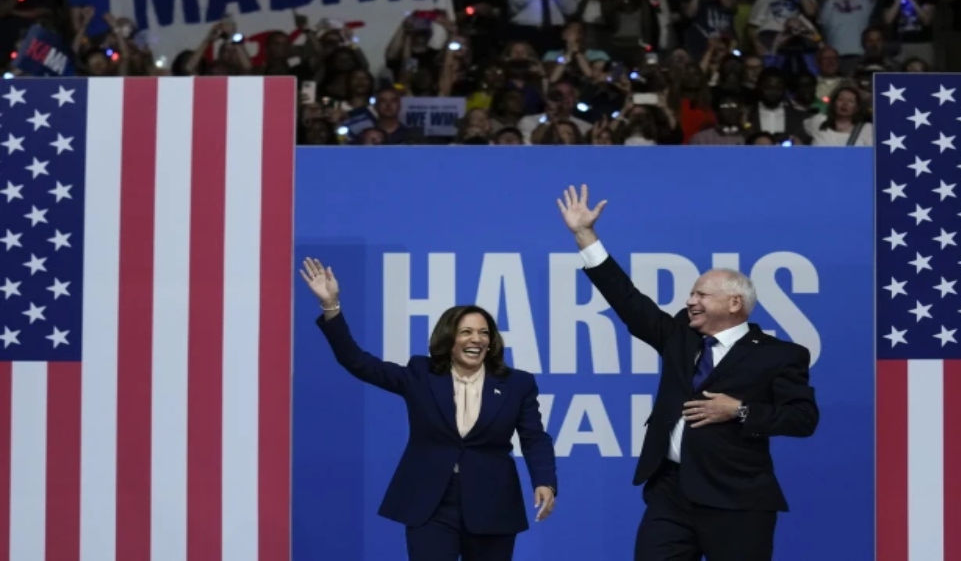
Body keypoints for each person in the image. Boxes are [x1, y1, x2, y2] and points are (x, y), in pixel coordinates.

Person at [554, 185, 819, 561]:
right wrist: (585, 236)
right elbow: (628, 299)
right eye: (691, 294)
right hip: (670, 493)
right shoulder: (680, 336)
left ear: (734, 303)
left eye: (701, 295)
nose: (690, 301)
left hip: (737, 500)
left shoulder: (780, 355)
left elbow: (803, 419)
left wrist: (739, 410)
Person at [299, 257, 558, 561]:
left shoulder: (517, 384)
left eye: (484, 333)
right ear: (449, 339)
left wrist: (545, 480)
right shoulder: (421, 375)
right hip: (431, 502)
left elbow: (534, 437)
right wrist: (331, 307)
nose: (476, 339)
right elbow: (357, 362)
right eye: (466, 332)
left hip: (493, 502)